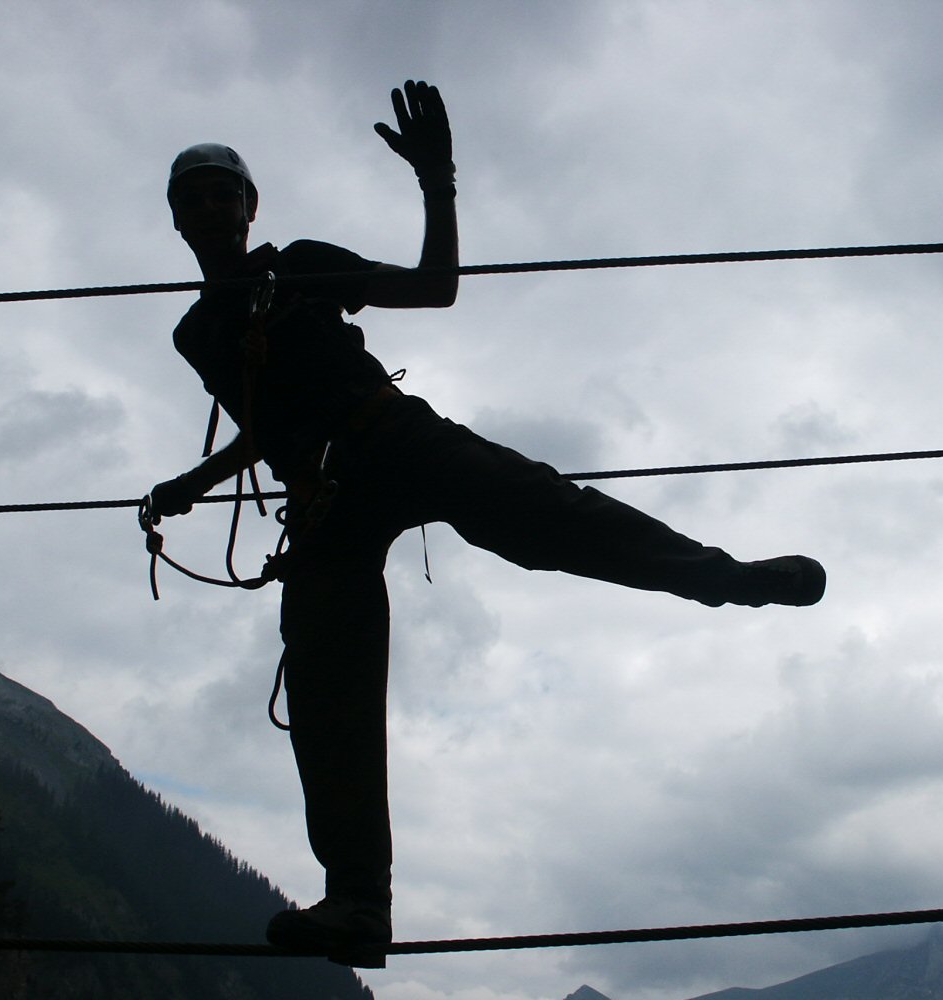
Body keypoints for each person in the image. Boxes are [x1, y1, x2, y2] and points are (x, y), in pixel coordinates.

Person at [148, 80, 825, 969]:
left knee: (552, 515)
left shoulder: (300, 265)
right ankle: (358, 903)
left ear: (250, 208)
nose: (209, 208)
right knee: (324, 686)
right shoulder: (197, 333)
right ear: (177, 217)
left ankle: (728, 578)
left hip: (393, 438)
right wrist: (189, 483)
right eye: (193, 198)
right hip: (322, 497)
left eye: (221, 194)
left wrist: (437, 182)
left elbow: (434, 288)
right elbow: (264, 426)